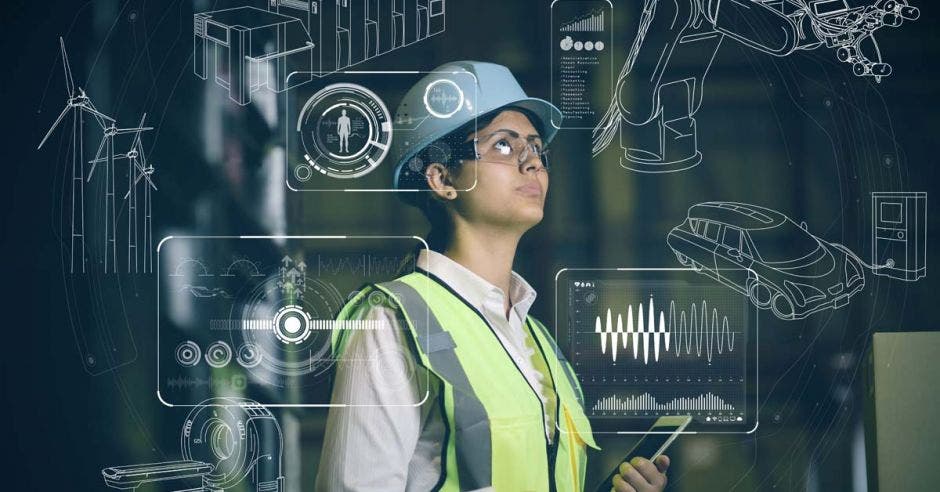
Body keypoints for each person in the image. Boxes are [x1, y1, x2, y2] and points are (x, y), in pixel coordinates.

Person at [316, 61, 670, 492]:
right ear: (443, 179)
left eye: (537, 148)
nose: (532, 163)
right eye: (504, 145)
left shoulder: (536, 342)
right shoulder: (392, 322)